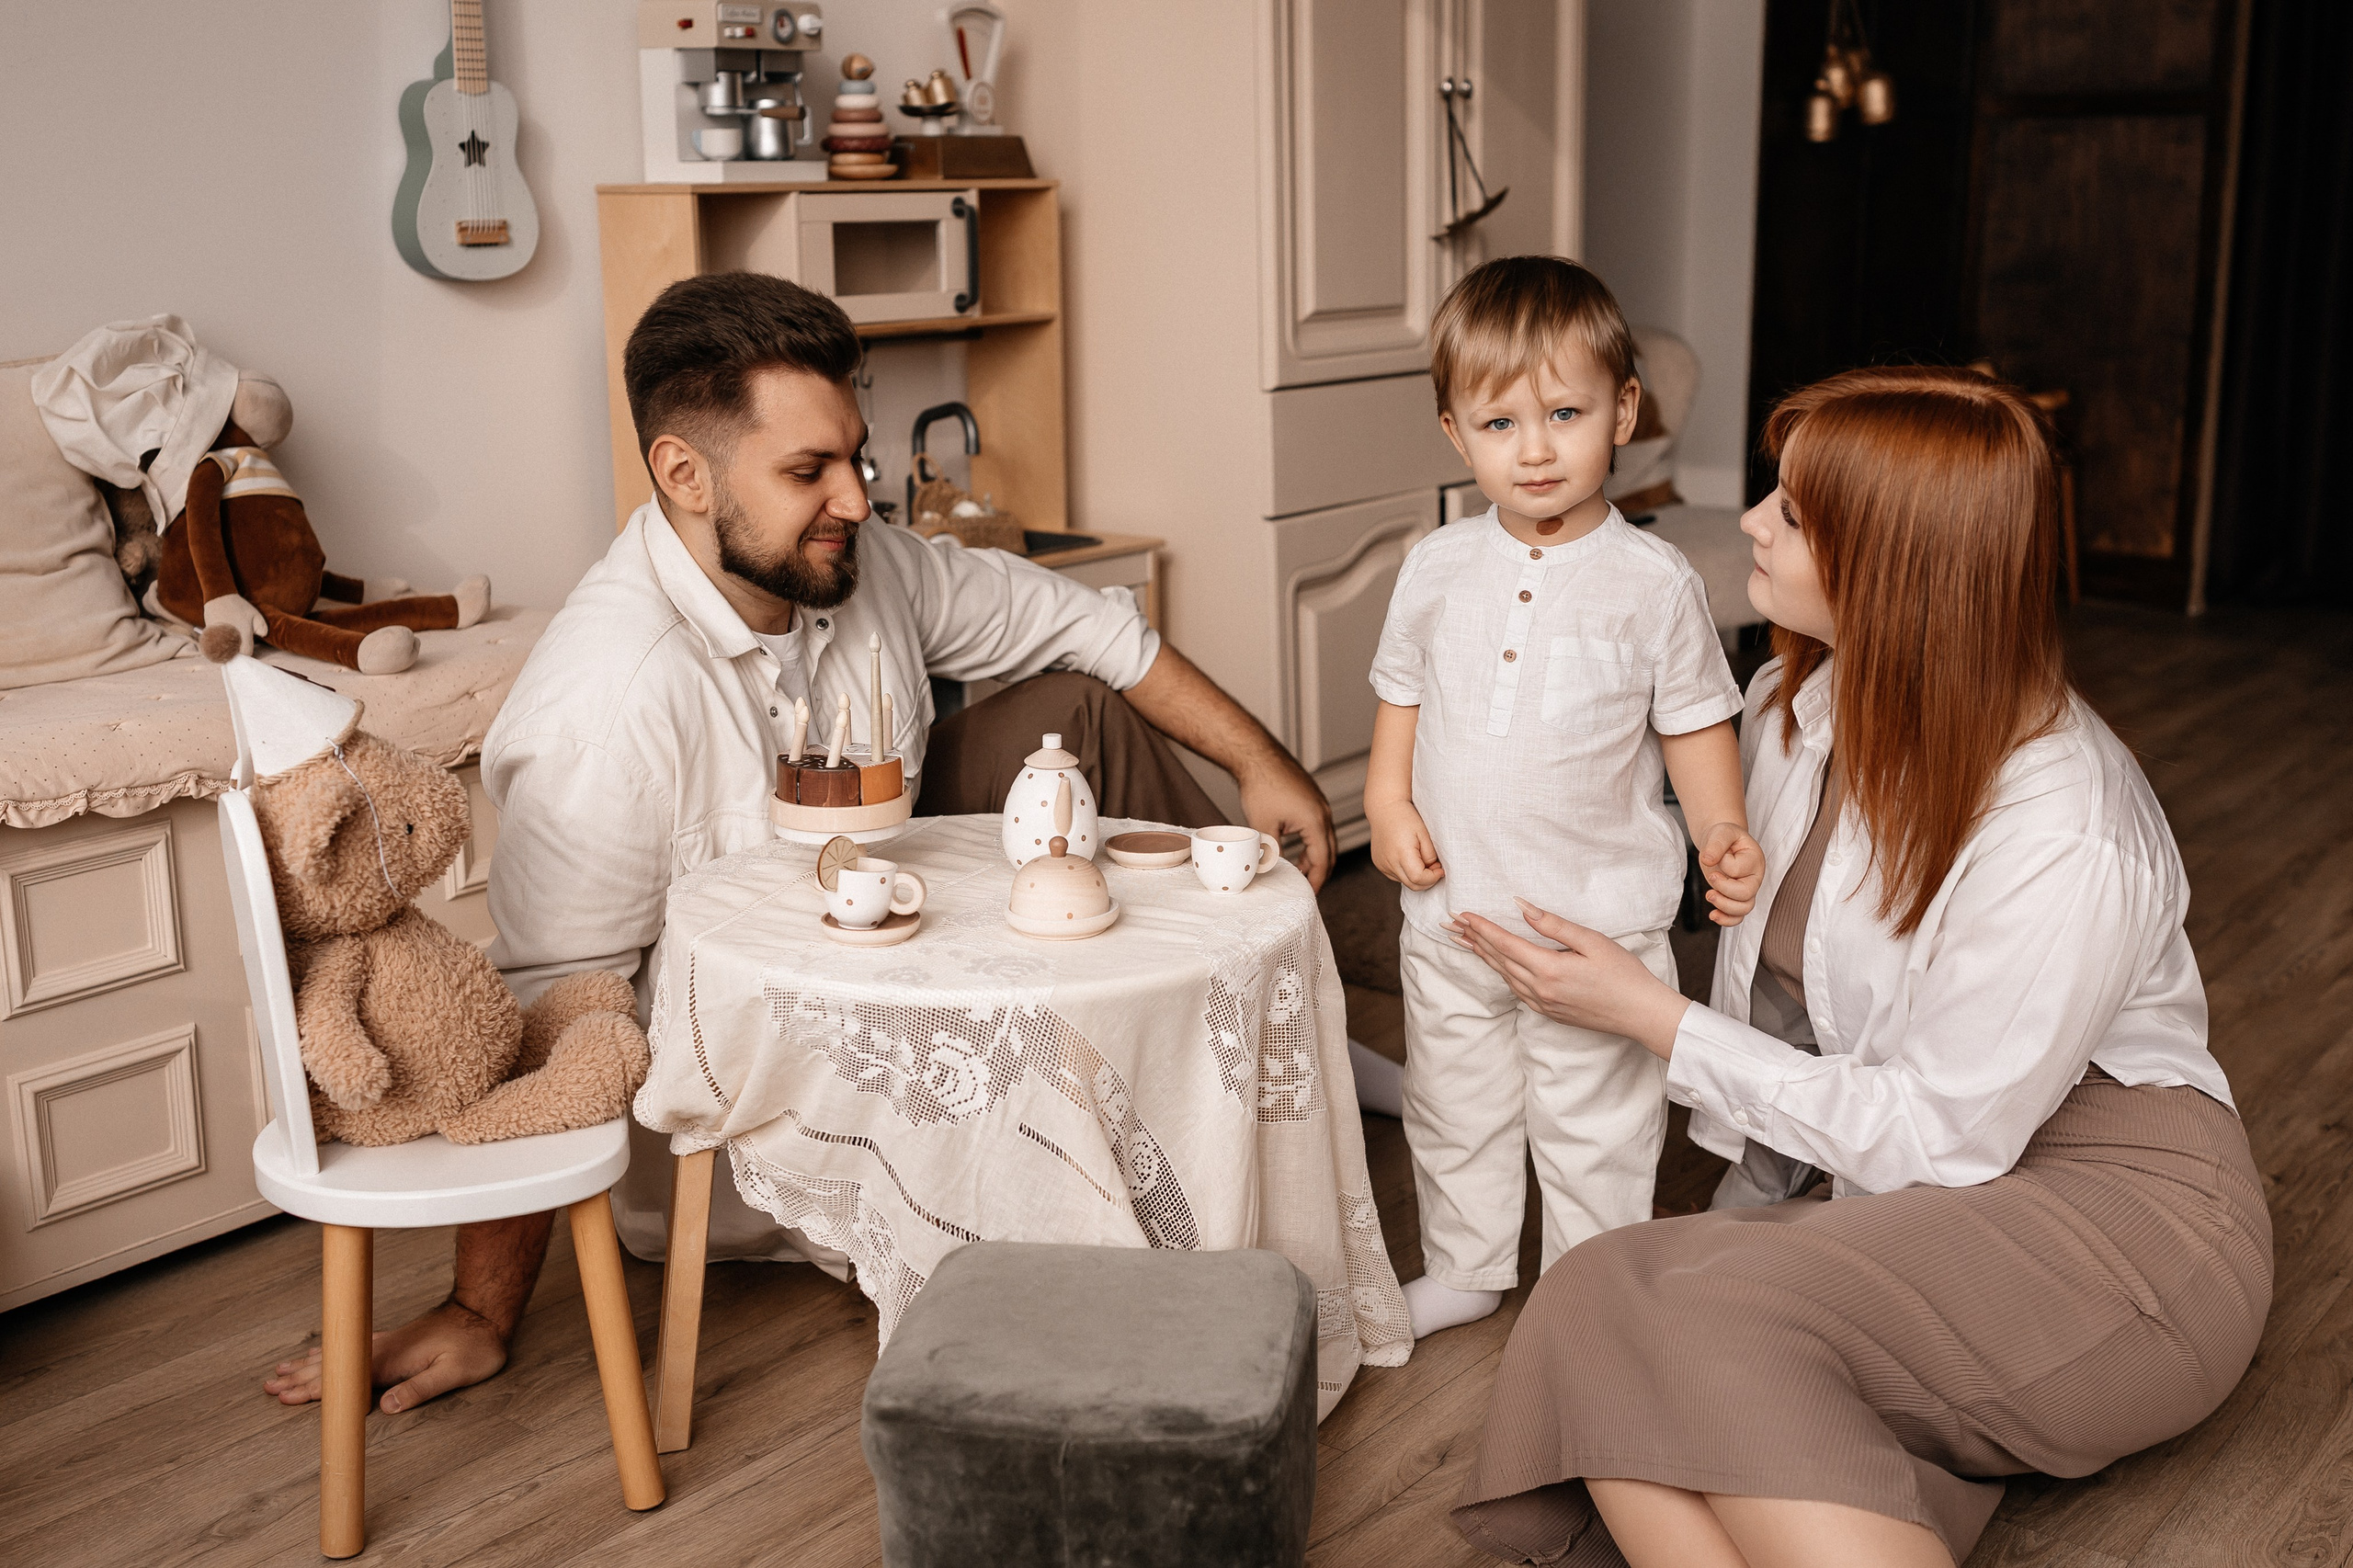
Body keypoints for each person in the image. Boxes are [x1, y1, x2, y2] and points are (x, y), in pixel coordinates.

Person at [265, 271, 1336, 1414]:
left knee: (1074, 708)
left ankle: (1253, 1032)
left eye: (855, 459)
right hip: (756, 1088)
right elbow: (556, 1010)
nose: (857, 500)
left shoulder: (854, 562)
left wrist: (1259, 761)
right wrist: (483, 1308)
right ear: (684, 473)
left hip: (895, 928)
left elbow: (1084, 621)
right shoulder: (607, 709)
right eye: (807, 472)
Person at [1445, 366, 2272, 1568]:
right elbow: (1788, 1005)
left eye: (1793, 511)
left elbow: (1947, 1133)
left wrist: (1655, 1019)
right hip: (1902, 1170)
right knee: (1600, 1290)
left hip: (2114, 1216)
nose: (1751, 522)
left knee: (1688, 1322)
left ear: (1899, 566)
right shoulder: (1797, 702)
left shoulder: (2065, 823)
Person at [1363, 256, 1764, 1341]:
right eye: (1499, 424)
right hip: (1453, 915)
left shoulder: (1653, 582)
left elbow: (1691, 722)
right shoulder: (1436, 566)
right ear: (1455, 432)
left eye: (1564, 413)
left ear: (1622, 411)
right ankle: (1467, 1263)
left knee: (1595, 1123)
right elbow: (1401, 690)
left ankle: (1590, 1294)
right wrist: (1385, 797)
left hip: (1597, 928)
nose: (1533, 449)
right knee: (1457, 1105)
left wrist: (1720, 827)